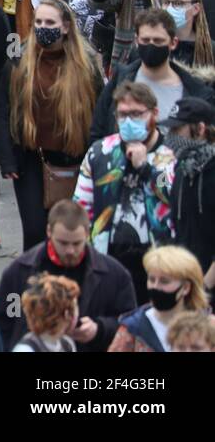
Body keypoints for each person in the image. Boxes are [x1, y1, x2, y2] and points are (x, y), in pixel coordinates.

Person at [76, 80, 177, 302]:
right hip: (109, 256)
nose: (129, 121)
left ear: (154, 113)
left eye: (136, 114)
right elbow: (81, 208)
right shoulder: (100, 152)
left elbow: (175, 198)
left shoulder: (171, 154)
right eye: (122, 115)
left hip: (159, 258)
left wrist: (145, 168)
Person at [0, 199, 136, 351]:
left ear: (87, 233)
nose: (70, 251)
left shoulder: (115, 275)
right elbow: (3, 323)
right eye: (63, 243)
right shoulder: (19, 272)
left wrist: (99, 329)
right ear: (49, 231)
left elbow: (130, 324)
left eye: (76, 243)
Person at [91, 8, 214, 142]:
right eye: (145, 40)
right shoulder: (120, 79)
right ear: (137, 41)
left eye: (158, 40)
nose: (151, 45)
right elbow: (97, 130)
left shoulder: (195, 90)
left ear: (173, 43)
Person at [152, 98, 215, 274]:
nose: (171, 136)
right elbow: (163, 190)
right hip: (185, 277)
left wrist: (205, 287)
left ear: (201, 129)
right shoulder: (182, 169)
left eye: (177, 129)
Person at [109, 245, 207, 352]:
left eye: (164, 281)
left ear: (185, 287)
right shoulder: (132, 329)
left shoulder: (207, 326)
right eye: (151, 280)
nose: (155, 286)